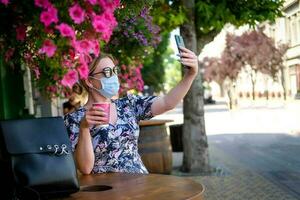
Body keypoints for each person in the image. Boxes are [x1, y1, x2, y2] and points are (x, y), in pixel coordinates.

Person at [64, 47, 198, 175]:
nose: (114, 76)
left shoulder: (128, 105)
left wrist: (190, 75)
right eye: (107, 72)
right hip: (106, 190)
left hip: (139, 183)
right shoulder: (74, 119)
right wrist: (84, 128)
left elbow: (167, 102)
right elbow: (85, 169)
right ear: (89, 81)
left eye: (115, 71)